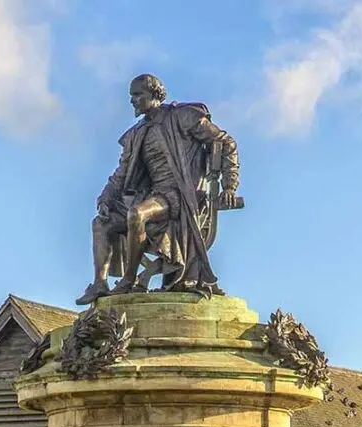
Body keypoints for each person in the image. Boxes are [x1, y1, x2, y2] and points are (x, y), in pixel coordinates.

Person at [76, 73, 240, 305]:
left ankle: (128, 281)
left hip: (181, 196)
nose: (132, 100)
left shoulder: (183, 117)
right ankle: (99, 284)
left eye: (137, 95)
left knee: (137, 215)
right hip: (150, 195)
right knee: (100, 223)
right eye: (131, 95)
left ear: (154, 95)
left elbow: (226, 143)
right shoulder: (136, 134)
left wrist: (229, 185)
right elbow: (120, 174)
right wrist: (105, 198)